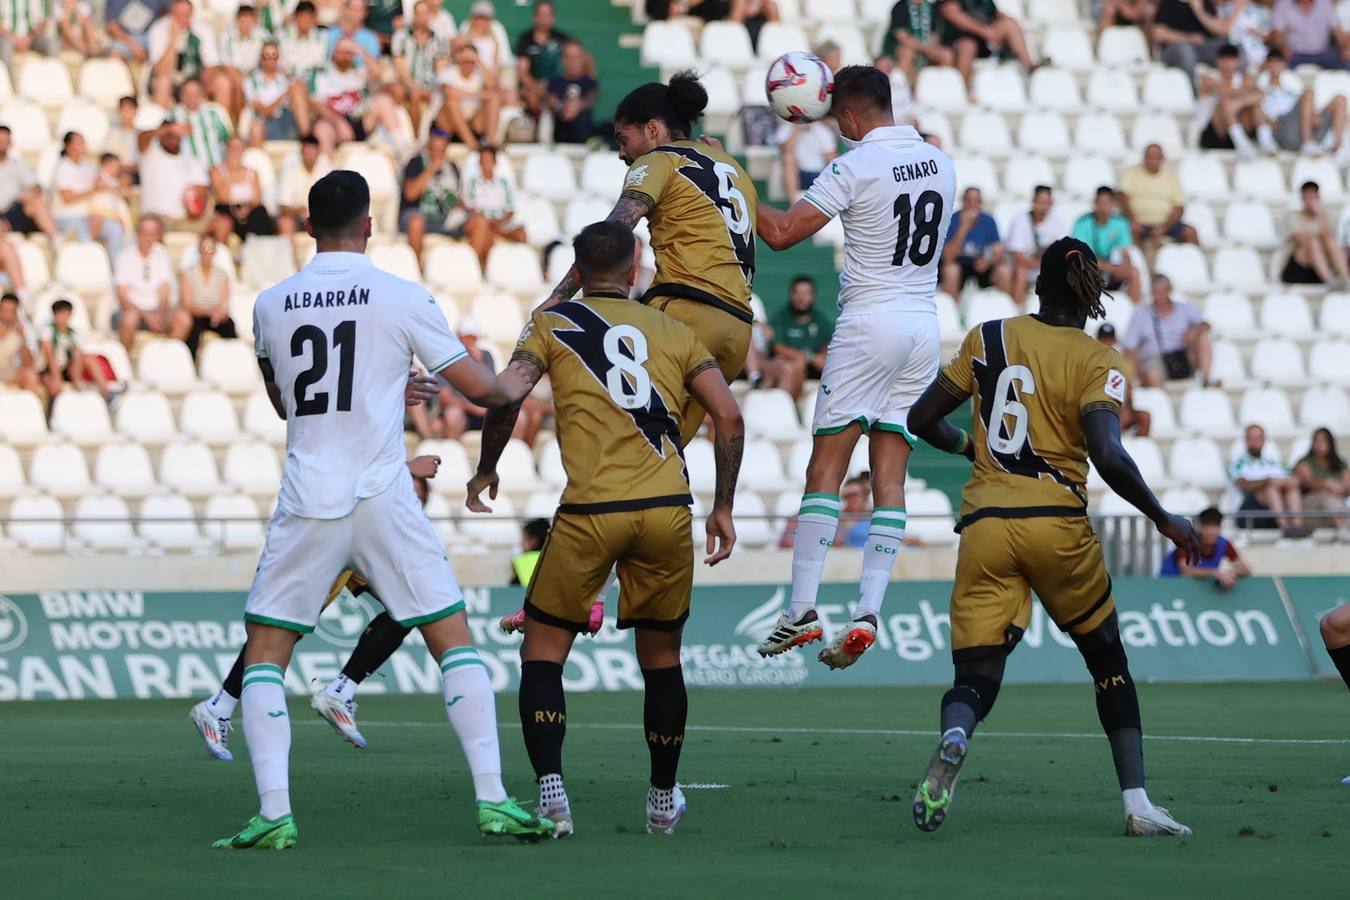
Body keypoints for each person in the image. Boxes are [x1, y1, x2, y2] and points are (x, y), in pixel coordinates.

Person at [215, 170, 554, 849]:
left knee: (265, 657)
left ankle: (275, 812)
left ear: (308, 227)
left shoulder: (270, 305)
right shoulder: (400, 295)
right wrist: (524, 368)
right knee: (452, 642)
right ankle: (491, 799)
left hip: (308, 497)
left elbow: (287, 404)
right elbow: (484, 392)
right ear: (370, 225)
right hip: (382, 493)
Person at [905, 236, 1198, 838]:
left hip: (986, 524)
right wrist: (1165, 519)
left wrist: (970, 448)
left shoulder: (988, 336)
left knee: (975, 674)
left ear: (1037, 286)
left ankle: (957, 733)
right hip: (1057, 524)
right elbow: (1109, 456)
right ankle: (1137, 804)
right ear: (1089, 293)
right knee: (1107, 658)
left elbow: (920, 419)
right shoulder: (1100, 360)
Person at [466, 220, 744, 838]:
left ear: (576, 268)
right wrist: (722, 506)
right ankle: (663, 799)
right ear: (637, 260)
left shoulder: (550, 323)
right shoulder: (674, 330)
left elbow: (506, 395)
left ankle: (552, 794)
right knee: (662, 659)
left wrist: (487, 466)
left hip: (592, 511)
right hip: (667, 509)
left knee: (542, 651)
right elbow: (727, 415)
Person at [500, 73, 758, 637]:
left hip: (684, 309)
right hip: (737, 328)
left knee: (610, 451)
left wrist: (557, 299)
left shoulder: (660, 161)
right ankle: (602, 590)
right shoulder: (734, 169)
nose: (622, 154)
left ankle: (563, 590)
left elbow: (615, 233)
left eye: (624, 140)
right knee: (654, 460)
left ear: (654, 129)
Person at [749, 66, 954, 670]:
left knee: (826, 468)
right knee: (891, 476)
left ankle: (803, 610)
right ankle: (867, 611)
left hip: (870, 323)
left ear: (850, 117)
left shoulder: (855, 164)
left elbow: (783, 233)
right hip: (924, 326)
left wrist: (735, 179)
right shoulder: (939, 160)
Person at [190, 452, 445, 759]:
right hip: (323, 533)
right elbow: (334, 472)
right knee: (278, 631)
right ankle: (219, 707)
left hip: (362, 536)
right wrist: (404, 469)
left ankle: (341, 690)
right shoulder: (347, 427)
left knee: (410, 605)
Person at [1121, 274, 1213, 387]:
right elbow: (1129, 346)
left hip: (1183, 357)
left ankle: (1206, 381)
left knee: (1203, 338)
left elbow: (1206, 325)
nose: (1159, 295)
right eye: (1156, 291)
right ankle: (1159, 401)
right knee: (1152, 372)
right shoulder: (1141, 314)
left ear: (1169, 290)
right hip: (1156, 359)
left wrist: (1193, 330)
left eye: (1162, 291)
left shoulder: (1185, 308)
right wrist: (1137, 372)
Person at [52, 131, 127, 261]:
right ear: (68, 146)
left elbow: (99, 188)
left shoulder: (86, 166)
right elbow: (68, 198)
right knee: (83, 238)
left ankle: (116, 270)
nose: (84, 146)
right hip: (68, 216)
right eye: (80, 143)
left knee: (115, 230)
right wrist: (94, 190)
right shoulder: (63, 167)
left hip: (89, 216)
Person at [935, 0, 1040, 90]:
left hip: (983, 40)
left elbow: (993, 13)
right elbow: (950, 12)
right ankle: (961, 90)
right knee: (968, 46)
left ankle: (1030, 67)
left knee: (1010, 24)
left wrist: (1003, 19)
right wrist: (984, 31)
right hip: (959, 39)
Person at [1197, 43, 1277, 156]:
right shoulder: (1209, 78)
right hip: (1214, 132)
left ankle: (1265, 141)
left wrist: (1239, 101)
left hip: (1237, 128)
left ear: (1238, 61)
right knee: (1225, 102)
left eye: (1231, 60)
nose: (1228, 64)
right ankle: (1243, 143)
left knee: (1254, 107)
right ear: (1218, 61)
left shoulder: (1243, 78)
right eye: (1225, 60)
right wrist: (1244, 96)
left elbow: (1260, 95)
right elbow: (1224, 91)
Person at [399, 128, 466, 263]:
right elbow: (410, 194)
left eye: (441, 149)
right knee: (416, 221)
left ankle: (476, 270)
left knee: (478, 222)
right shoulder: (416, 163)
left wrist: (462, 206)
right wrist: (431, 169)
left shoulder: (453, 168)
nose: (437, 153)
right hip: (419, 214)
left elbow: (457, 199)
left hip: (446, 218)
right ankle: (417, 270)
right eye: (434, 148)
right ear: (429, 147)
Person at [762, 275, 831, 400]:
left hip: (814, 369)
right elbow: (778, 347)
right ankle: (791, 405)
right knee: (797, 363)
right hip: (785, 364)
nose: (801, 298)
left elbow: (830, 341)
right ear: (791, 294)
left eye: (806, 293)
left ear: (813, 296)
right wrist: (809, 357)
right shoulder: (781, 317)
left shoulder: (820, 318)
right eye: (797, 293)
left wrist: (822, 356)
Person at [113, 216, 176, 350]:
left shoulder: (162, 255)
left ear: (157, 235)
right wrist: (147, 316)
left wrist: (159, 313)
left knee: (182, 319)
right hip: (131, 310)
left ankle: (169, 357)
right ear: (138, 233)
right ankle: (126, 362)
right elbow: (123, 297)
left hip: (156, 310)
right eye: (144, 232)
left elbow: (164, 291)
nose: (147, 237)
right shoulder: (124, 256)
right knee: (130, 318)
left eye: (152, 233)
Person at [1119, 144, 1198, 247]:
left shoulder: (1171, 177)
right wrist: (1132, 220)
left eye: (1155, 156)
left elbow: (1179, 207)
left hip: (1165, 224)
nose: (1152, 160)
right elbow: (1121, 196)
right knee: (1129, 230)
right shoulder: (1132, 172)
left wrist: (1164, 227)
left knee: (1190, 233)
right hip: (1138, 222)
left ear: (1162, 158)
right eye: (1149, 156)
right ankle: (1141, 261)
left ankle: (1190, 261)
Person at [172, 233, 237, 358]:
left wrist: (218, 313)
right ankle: (191, 363)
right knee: (194, 328)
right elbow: (187, 304)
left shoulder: (222, 275)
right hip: (196, 315)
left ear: (215, 252)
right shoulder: (188, 274)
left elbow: (224, 302)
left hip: (214, 316)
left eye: (210, 249)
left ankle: (233, 360)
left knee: (229, 325)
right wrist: (209, 312)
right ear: (199, 251)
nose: (207, 253)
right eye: (204, 249)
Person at [1072, 187, 1141, 303]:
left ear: (1113, 205)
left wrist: (1125, 265)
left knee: (1133, 272)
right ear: (1094, 203)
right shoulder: (1082, 223)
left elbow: (1125, 252)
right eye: (1100, 203)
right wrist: (1111, 268)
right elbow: (1082, 256)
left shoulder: (1120, 223)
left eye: (1106, 204)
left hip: (1109, 268)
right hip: (1090, 268)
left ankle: (1132, 308)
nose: (1103, 208)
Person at [1231, 423, 1305, 530]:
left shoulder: (1273, 462)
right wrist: (1268, 482)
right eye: (1252, 437)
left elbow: (1292, 479)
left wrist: (1284, 482)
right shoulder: (1237, 462)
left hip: (1274, 509)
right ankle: (1284, 527)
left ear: (1264, 440)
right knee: (1269, 489)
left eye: (1259, 437)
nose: (1255, 441)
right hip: (1248, 510)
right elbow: (1243, 484)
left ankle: (1297, 527)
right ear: (1245, 440)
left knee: (1291, 487)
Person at [463, 145, 526, 268]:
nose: (486, 162)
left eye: (489, 159)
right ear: (479, 162)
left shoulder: (504, 183)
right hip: (482, 222)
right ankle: (484, 270)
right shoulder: (471, 182)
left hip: (500, 222)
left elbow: (510, 209)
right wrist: (489, 222)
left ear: (495, 162)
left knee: (521, 234)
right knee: (486, 231)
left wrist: (499, 221)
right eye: (483, 159)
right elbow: (470, 208)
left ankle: (518, 268)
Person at [941, 186, 1010, 298]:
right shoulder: (953, 219)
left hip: (983, 264)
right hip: (961, 264)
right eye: (969, 200)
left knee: (1004, 271)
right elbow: (948, 257)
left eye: (976, 201)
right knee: (950, 271)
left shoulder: (988, 220)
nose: (973, 205)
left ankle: (1006, 308)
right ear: (963, 202)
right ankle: (952, 310)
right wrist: (964, 228)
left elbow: (998, 250)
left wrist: (988, 262)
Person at [38, 298, 112, 401]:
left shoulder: (73, 334)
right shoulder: (47, 331)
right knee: (55, 387)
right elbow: (49, 356)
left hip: (67, 369)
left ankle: (106, 392)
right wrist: (56, 377)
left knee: (88, 358)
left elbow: (78, 354)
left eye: (66, 314)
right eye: (60, 314)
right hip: (49, 370)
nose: (63, 318)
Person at [391, 1, 448, 134]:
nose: (422, 17)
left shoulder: (439, 39)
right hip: (409, 86)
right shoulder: (401, 37)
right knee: (414, 95)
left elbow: (441, 71)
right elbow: (402, 73)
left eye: (425, 13)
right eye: (419, 13)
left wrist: (431, 90)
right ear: (413, 15)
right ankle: (416, 137)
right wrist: (415, 88)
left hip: (431, 87)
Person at [1007, 185, 1068, 305]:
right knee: (1021, 272)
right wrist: (1043, 265)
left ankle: (1056, 311)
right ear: (1033, 201)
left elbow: (1062, 251)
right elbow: (1018, 256)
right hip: (1025, 266)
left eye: (1046, 202)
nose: (1043, 206)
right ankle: (1017, 309)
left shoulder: (1057, 222)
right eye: (1040, 202)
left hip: (1044, 267)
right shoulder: (1020, 221)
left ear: (1051, 203)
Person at [209, 136, 277, 244]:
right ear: (227, 149)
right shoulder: (217, 171)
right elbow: (222, 196)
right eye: (233, 147)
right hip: (227, 210)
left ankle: (260, 248)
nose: (236, 151)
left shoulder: (253, 172)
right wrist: (233, 173)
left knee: (260, 213)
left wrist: (246, 208)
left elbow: (257, 198)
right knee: (223, 222)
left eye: (239, 147)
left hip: (249, 210)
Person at [1160, 507, 1250, 587]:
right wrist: (1216, 573)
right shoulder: (1187, 542)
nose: (1210, 532)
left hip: (1197, 589)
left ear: (1219, 528)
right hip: (1169, 585)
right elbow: (1186, 571)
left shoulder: (1224, 544)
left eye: (1214, 527)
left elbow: (1244, 569)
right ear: (1200, 527)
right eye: (1206, 526)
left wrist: (1230, 573)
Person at [1282, 180, 1349, 285]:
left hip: (1319, 268)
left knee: (1329, 240)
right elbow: (1301, 239)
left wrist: (1320, 214)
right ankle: (1329, 280)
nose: (1310, 201)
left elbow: (1329, 238)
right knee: (1313, 241)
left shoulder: (1323, 216)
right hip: (1298, 268)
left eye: (1313, 197)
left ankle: (1344, 278)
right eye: (1307, 198)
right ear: (1302, 199)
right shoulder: (1293, 216)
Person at [436, 42, 501, 149]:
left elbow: (492, 88)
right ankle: (473, 145)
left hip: (473, 123)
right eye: (465, 61)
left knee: (494, 100)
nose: (468, 65)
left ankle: (490, 143)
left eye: (472, 61)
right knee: (451, 103)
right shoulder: (448, 72)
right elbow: (448, 93)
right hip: (448, 124)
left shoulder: (478, 75)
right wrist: (479, 95)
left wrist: (479, 61)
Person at [0, 126, 59, 243]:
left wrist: (27, 194)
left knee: (36, 202)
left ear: (10, 143)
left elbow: (37, 186)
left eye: (5, 141)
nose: (2, 144)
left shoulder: (17, 165)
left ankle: (57, 240)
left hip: (13, 212)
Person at [515, 0, 569, 120]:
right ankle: (537, 128)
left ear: (553, 17)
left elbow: (578, 61)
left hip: (558, 85)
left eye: (548, 14)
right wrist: (544, 93)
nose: (544, 18)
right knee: (532, 98)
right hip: (534, 85)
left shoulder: (562, 38)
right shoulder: (525, 39)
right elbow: (523, 74)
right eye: (541, 14)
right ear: (535, 16)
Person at [1153, 0, 1227, 85]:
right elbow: (1158, 33)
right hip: (1174, 48)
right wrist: (1188, 38)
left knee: (1228, 48)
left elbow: (1219, 30)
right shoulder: (1169, 3)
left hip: (1202, 48)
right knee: (1185, 50)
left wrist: (1199, 11)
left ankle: (1234, 89)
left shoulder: (1205, 3)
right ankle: (1192, 93)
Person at [149, 0, 221, 88]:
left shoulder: (203, 29)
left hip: (195, 80)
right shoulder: (158, 29)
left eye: (186, 14)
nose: (182, 18)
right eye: (178, 14)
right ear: (171, 14)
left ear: (192, 14)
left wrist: (200, 91)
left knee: (222, 83)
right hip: (170, 79)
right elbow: (162, 70)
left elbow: (212, 65)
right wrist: (173, 38)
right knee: (163, 83)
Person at [245, 42, 305, 146]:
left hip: (288, 121)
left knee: (299, 89)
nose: (270, 59)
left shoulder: (286, 79)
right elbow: (265, 111)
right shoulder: (251, 81)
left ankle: (307, 139)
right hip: (266, 123)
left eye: (274, 55)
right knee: (256, 128)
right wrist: (286, 94)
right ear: (261, 58)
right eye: (266, 55)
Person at [1096, 323, 1150, 435]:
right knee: (1114, 421)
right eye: (1103, 339)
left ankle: (1138, 447)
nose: (1106, 343)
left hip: (1121, 408)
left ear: (1115, 341)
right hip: (1103, 409)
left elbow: (1129, 389)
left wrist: (1127, 409)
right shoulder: (1093, 363)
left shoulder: (1123, 363)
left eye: (1109, 339)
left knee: (1144, 417)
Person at [167, 77, 233, 170]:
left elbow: (228, 140)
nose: (191, 98)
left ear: (202, 94)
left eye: (195, 94)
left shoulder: (215, 112)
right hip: (188, 173)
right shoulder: (172, 116)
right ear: (181, 96)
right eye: (187, 94)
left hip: (215, 170)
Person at [885, 0, 956, 86]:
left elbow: (934, 35)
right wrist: (925, 49)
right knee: (908, 53)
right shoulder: (900, 7)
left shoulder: (931, 8)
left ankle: (937, 87)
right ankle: (901, 88)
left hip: (926, 47)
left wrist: (930, 49)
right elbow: (901, 36)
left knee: (946, 55)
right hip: (903, 47)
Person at [1294, 427, 1350, 527]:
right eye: (1317, 441)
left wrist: (1339, 489)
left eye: (1323, 441)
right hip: (1311, 506)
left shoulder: (1340, 464)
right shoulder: (1305, 463)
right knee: (1329, 500)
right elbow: (1308, 483)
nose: (1320, 444)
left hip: (1336, 503)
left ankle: (1343, 530)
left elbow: (1347, 486)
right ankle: (1343, 531)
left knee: (1334, 503)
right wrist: (1326, 484)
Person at [547, 40, 599, 144]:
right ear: (562, 60)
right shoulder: (554, 82)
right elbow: (552, 102)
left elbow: (591, 99)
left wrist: (578, 106)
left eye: (576, 57)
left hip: (584, 129)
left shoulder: (589, 82)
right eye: (568, 57)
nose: (572, 62)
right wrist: (562, 107)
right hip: (562, 129)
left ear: (582, 58)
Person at [278, 135, 332, 235]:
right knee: (285, 221)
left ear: (318, 153)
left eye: (313, 152)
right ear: (301, 153)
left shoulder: (326, 170)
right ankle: (289, 250)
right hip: (299, 220)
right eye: (307, 153)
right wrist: (296, 211)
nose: (310, 157)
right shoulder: (290, 172)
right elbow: (284, 205)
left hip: (322, 217)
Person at [1271, 0, 1349, 69]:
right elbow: (1278, 34)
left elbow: (1337, 31)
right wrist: (1282, 49)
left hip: (1323, 53)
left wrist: (1346, 48)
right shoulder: (1283, 5)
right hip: (1295, 55)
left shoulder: (1325, 3)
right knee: (1277, 67)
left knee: (1347, 64)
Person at [777, 118, 838, 202]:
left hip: (818, 174)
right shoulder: (787, 128)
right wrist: (796, 131)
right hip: (798, 174)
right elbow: (786, 150)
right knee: (788, 159)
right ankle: (794, 205)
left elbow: (832, 159)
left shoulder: (822, 130)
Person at [0, 0, 58, 77]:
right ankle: (8, 84)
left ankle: (52, 80)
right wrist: (15, 39)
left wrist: (30, 38)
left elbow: (44, 21)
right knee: (6, 45)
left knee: (51, 43)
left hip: (33, 37)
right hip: (9, 37)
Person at [278, 0, 329, 86]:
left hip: (314, 83)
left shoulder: (323, 38)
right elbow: (281, 64)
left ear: (314, 19)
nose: (305, 21)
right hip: (287, 82)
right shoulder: (282, 36)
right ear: (295, 17)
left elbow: (321, 63)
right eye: (301, 17)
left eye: (309, 17)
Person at [105, 0, 168, 64]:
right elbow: (111, 27)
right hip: (126, 38)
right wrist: (133, 46)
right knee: (115, 53)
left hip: (152, 35)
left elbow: (173, 10)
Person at [0, 292, 39, 395]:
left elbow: (29, 363)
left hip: (5, 371)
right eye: (4, 310)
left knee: (30, 375)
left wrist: (22, 339)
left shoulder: (17, 332)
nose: (7, 314)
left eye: (11, 311)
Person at [512, 518, 550, 586]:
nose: (521, 543)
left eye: (524, 538)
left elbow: (512, 591)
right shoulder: (557, 560)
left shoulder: (521, 562)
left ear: (533, 540)